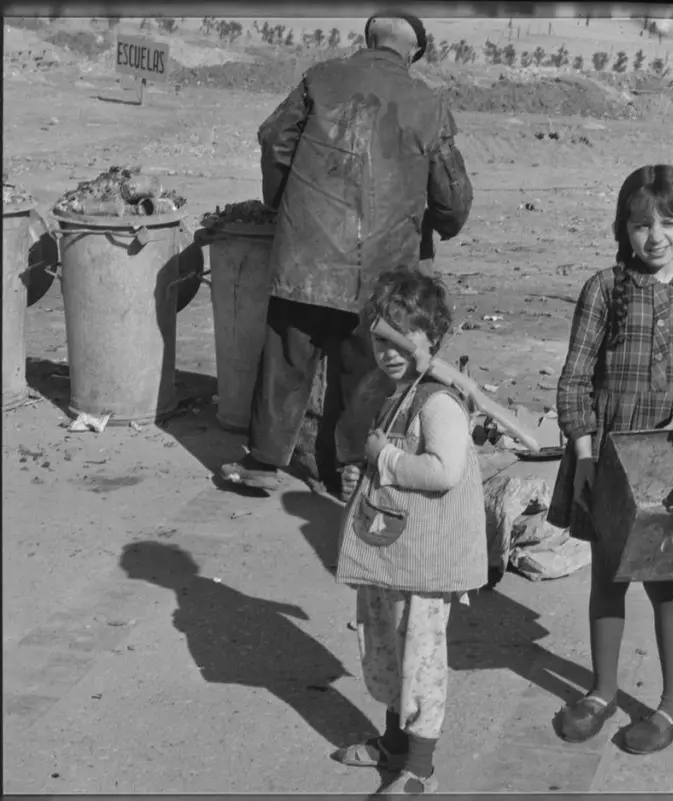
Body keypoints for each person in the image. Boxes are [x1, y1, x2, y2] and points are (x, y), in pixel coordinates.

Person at [220, 13, 473, 496]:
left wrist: (284, 205)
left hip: (307, 257)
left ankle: (262, 463)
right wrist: (444, 226)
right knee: (366, 371)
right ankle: (349, 471)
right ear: (415, 52)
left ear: (368, 39)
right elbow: (452, 197)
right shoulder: (429, 104)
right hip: (383, 270)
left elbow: (275, 139)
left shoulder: (321, 77)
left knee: (288, 355)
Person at [547, 164, 673, 755]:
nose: (654, 236)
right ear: (623, 229)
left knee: (665, 584)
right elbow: (574, 381)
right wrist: (584, 456)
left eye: (668, 222)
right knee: (608, 579)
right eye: (640, 224)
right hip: (608, 457)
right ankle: (602, 693)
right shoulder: (604, 289)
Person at [332, 267, 487, 794]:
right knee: (388, 649)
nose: (389, 351)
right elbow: (387, 460)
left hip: (425, 563)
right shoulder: (398, 390)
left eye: (403, 338)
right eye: (381, 339)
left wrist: (388, 459)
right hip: (395, 553)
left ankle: (419, 768)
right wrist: (366, 472)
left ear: (432, 340)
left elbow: (444, 471)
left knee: (419, 659)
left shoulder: (439, 402)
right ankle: (394, 743)